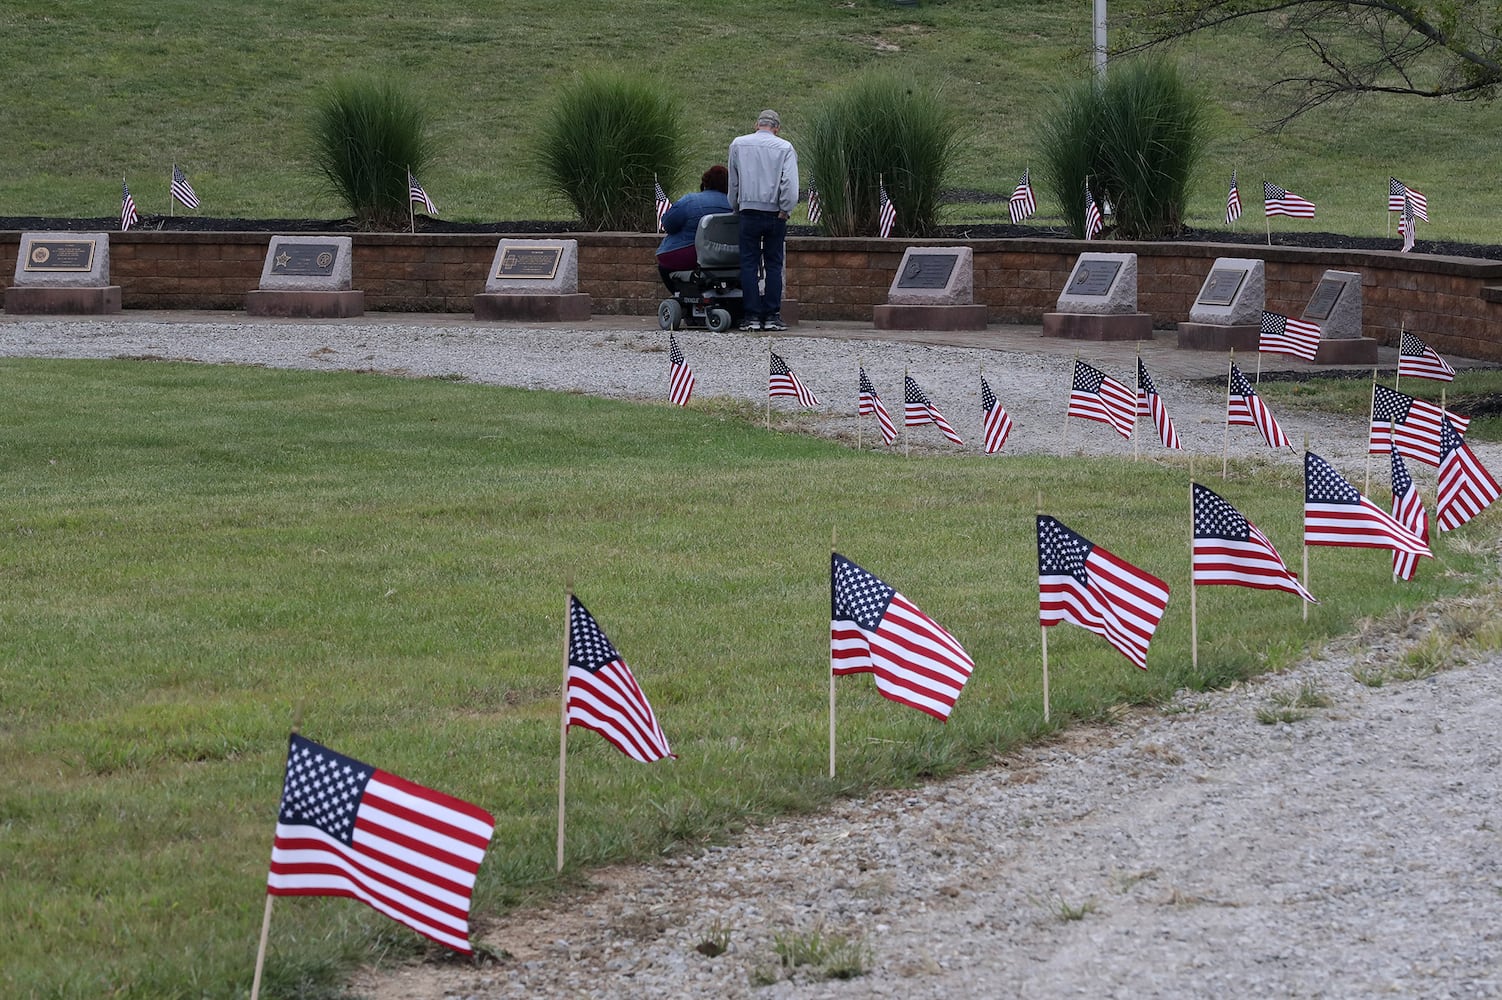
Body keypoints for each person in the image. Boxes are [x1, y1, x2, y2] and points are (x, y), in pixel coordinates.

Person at [726, 109, 798, 332]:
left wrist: (736, 205)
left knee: (748, 264)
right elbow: (789, 183)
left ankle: (751, 316)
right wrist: (785, 209)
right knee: (773, 264)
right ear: (776, 128)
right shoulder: (785, 147)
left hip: (748, 211)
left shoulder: (738, 144)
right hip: (775, 213)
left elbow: (733, 181)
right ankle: (772, 315)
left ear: (756, 124)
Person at [655, 165, 732, 292]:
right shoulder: (735, 204)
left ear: (705, 183)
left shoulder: (690, 201)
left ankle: (680, 296)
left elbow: (668, 224)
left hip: (691, 255)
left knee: (664, 266)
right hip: (729, 256)